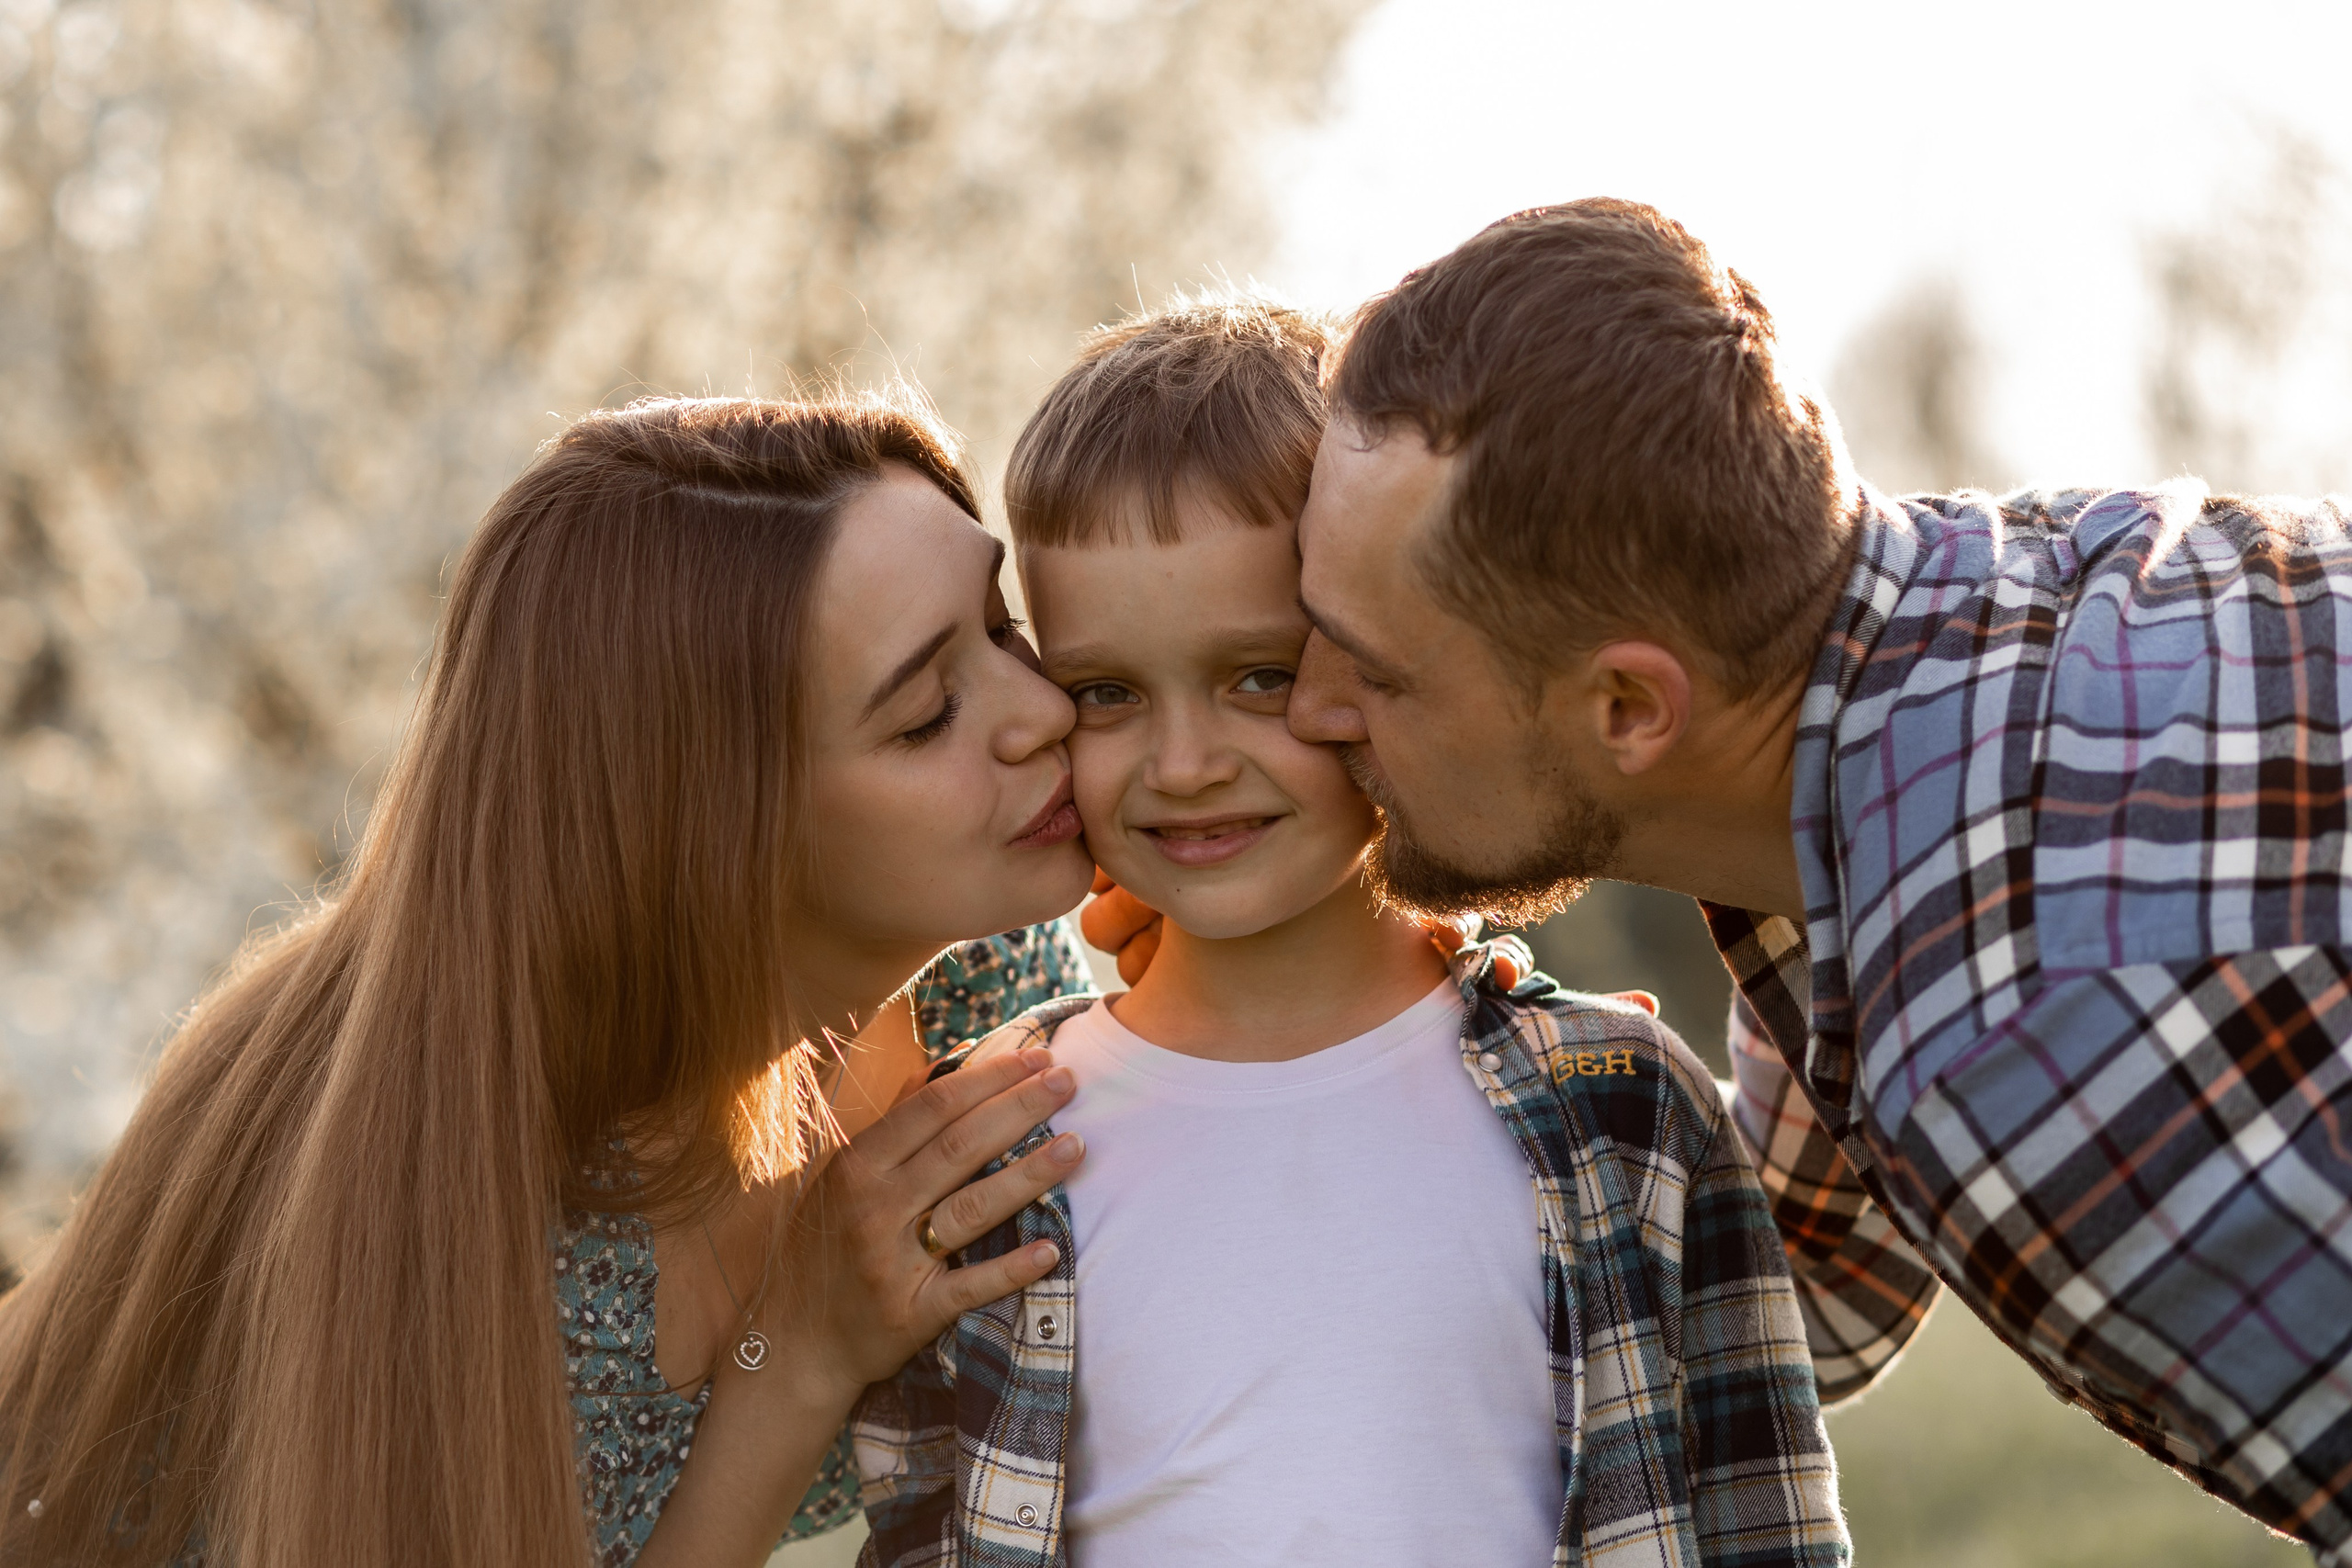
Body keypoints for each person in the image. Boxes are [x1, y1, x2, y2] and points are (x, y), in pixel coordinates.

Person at [1240, 197, 2351, 1562]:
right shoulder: (1973, 629)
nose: (1309, 712)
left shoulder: (2011, 1022)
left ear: (1631, 709)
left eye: (1377, 667)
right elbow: (1797, 1297)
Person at [0, 394, 1102, 1568]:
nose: (1043, 711)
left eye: (1003, 626)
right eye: (927, 714)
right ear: (712, 831)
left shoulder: (982, 997)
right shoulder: (475, 1235)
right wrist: (795, 1361)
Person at [854, 297, 1849, 1566]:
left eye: (1258, 674)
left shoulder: (1620, 1103)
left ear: (1377, 655)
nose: (1184, 761)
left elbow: (1765, 1515)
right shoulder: (987, 1147)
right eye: (1107, 691)